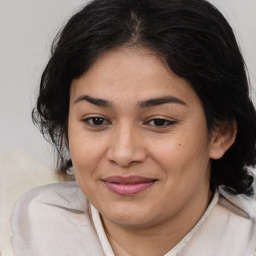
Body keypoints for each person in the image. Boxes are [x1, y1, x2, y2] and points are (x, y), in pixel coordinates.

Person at [10, 0, 256, 255]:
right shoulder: (37, 223)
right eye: (96, 120)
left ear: (220, 132)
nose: (123, 153)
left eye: (159, 122)